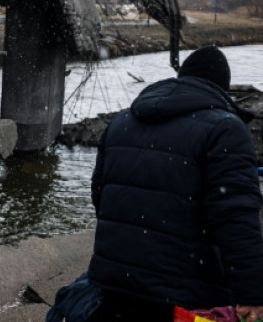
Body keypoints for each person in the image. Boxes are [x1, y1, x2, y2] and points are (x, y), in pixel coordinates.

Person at [86, 45, 263, 320]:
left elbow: (101, 198)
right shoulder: (225, 129)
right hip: (184, 297)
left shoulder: (122, 122)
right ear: (221, 88)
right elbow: (236, 217)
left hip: (114, 289)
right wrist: (251, 291)